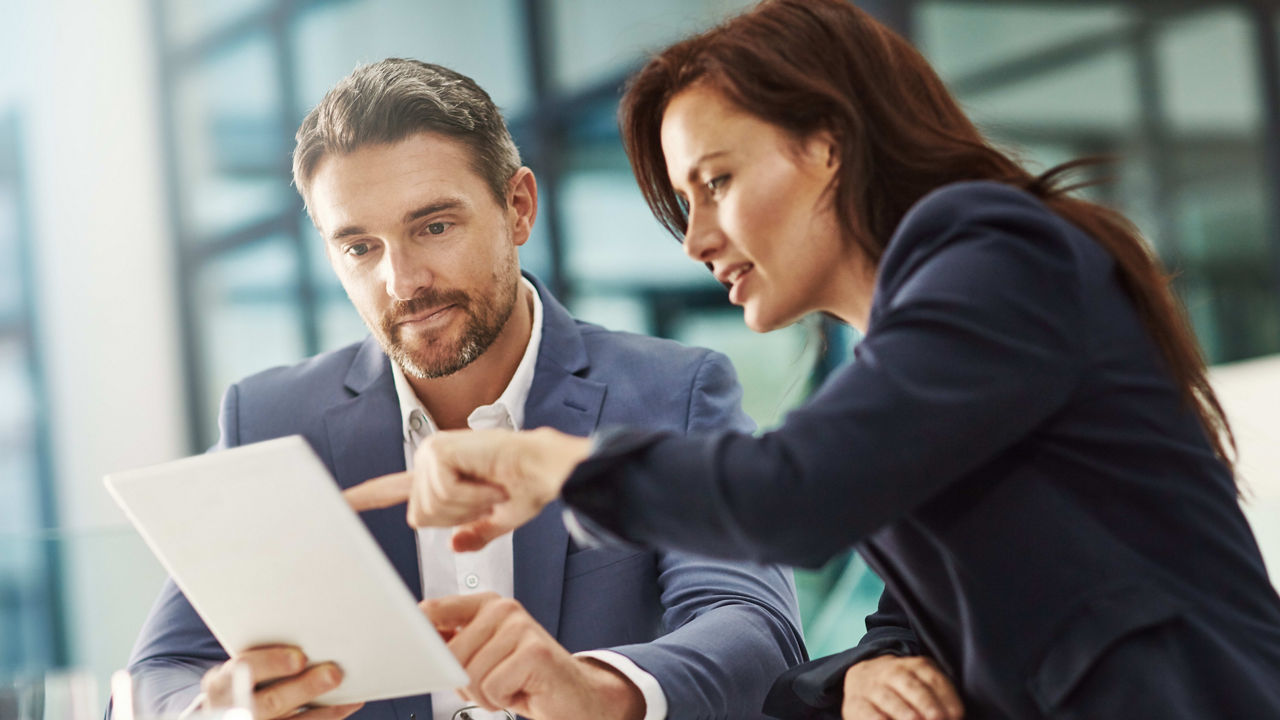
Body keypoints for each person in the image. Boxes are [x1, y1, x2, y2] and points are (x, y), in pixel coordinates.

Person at [345, 2, 1280, 719]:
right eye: (684, 201)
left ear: (828, 145)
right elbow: (928, 603)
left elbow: (793, 495)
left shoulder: (994, 251)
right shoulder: (915, 334)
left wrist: (546, 462)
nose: (697, 240)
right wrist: (872, 667)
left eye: (716, 182)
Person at [121, 58, 807, 720]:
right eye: (360, 247)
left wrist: (598, 689)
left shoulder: (671, 392)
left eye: (434, 227)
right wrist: (219, 710)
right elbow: (156, 676)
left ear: (518, 208)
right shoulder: (271, 418)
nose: (403, 281)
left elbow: (752, 626)